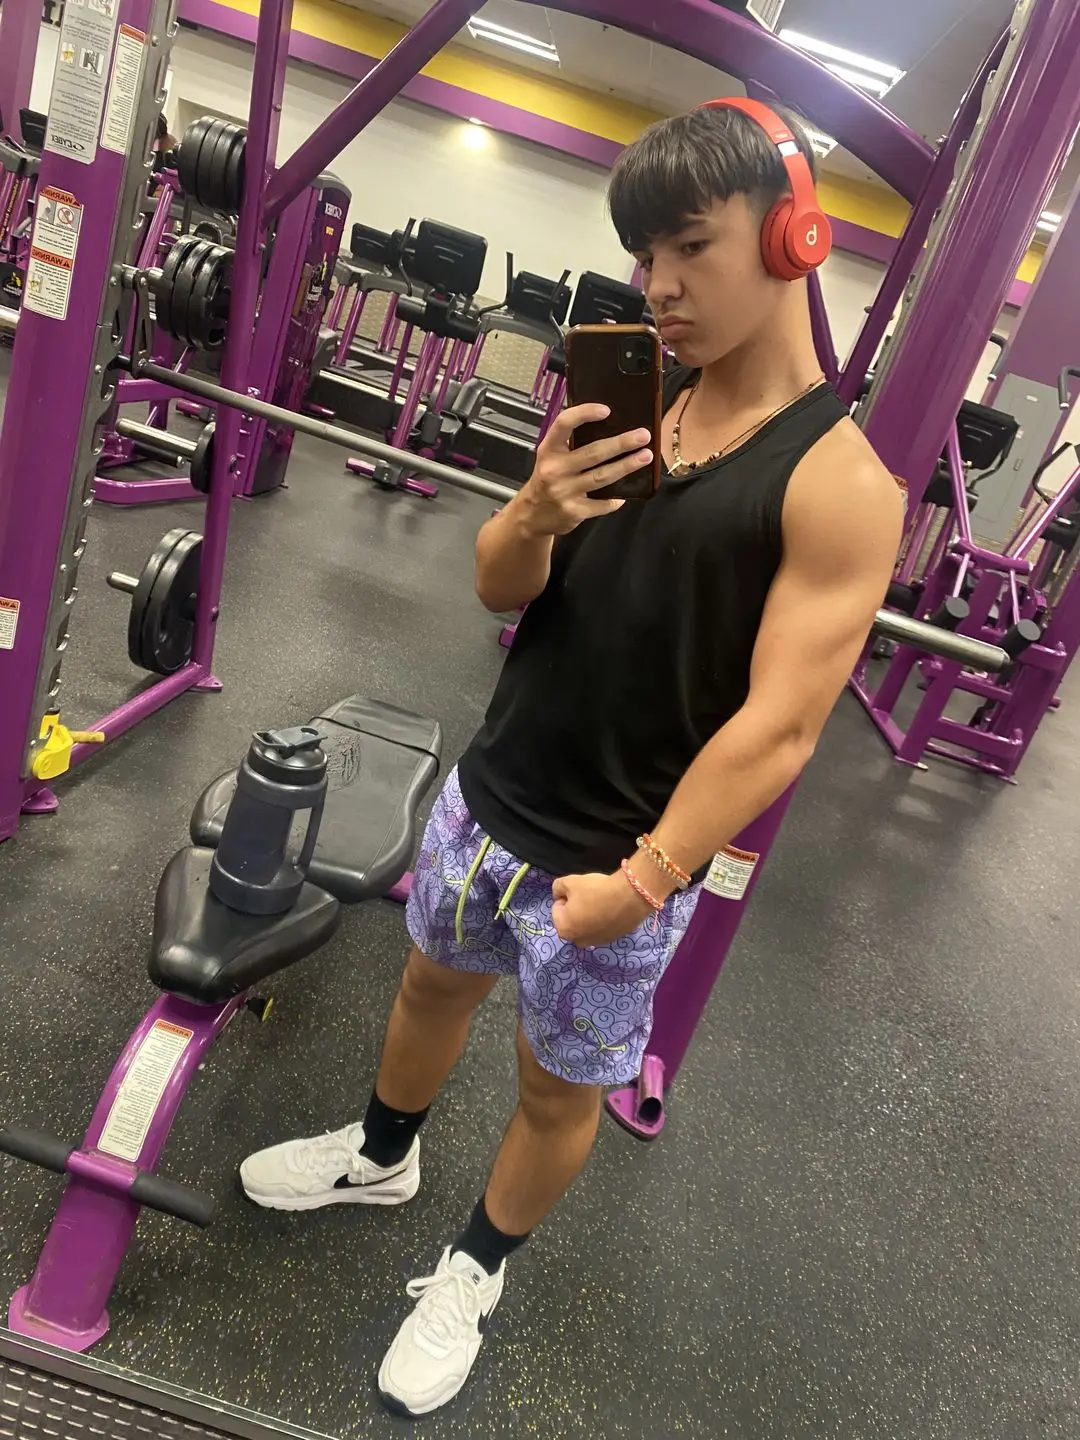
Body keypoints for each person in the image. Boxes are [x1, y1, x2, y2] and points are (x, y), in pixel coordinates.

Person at [239, 99, 904, 1417]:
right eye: (644, 257)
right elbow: (501, 586)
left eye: (690, 248)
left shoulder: (840, 484)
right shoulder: (631, 408)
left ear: (792, 236)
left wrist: (648, 880)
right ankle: (381, 1154)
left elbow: (778, 725)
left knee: (555, 1090)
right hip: (493, 792)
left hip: (615, 862)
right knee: (430, 986)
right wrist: (535, 510)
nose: (657, 286)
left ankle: (476, 1271)